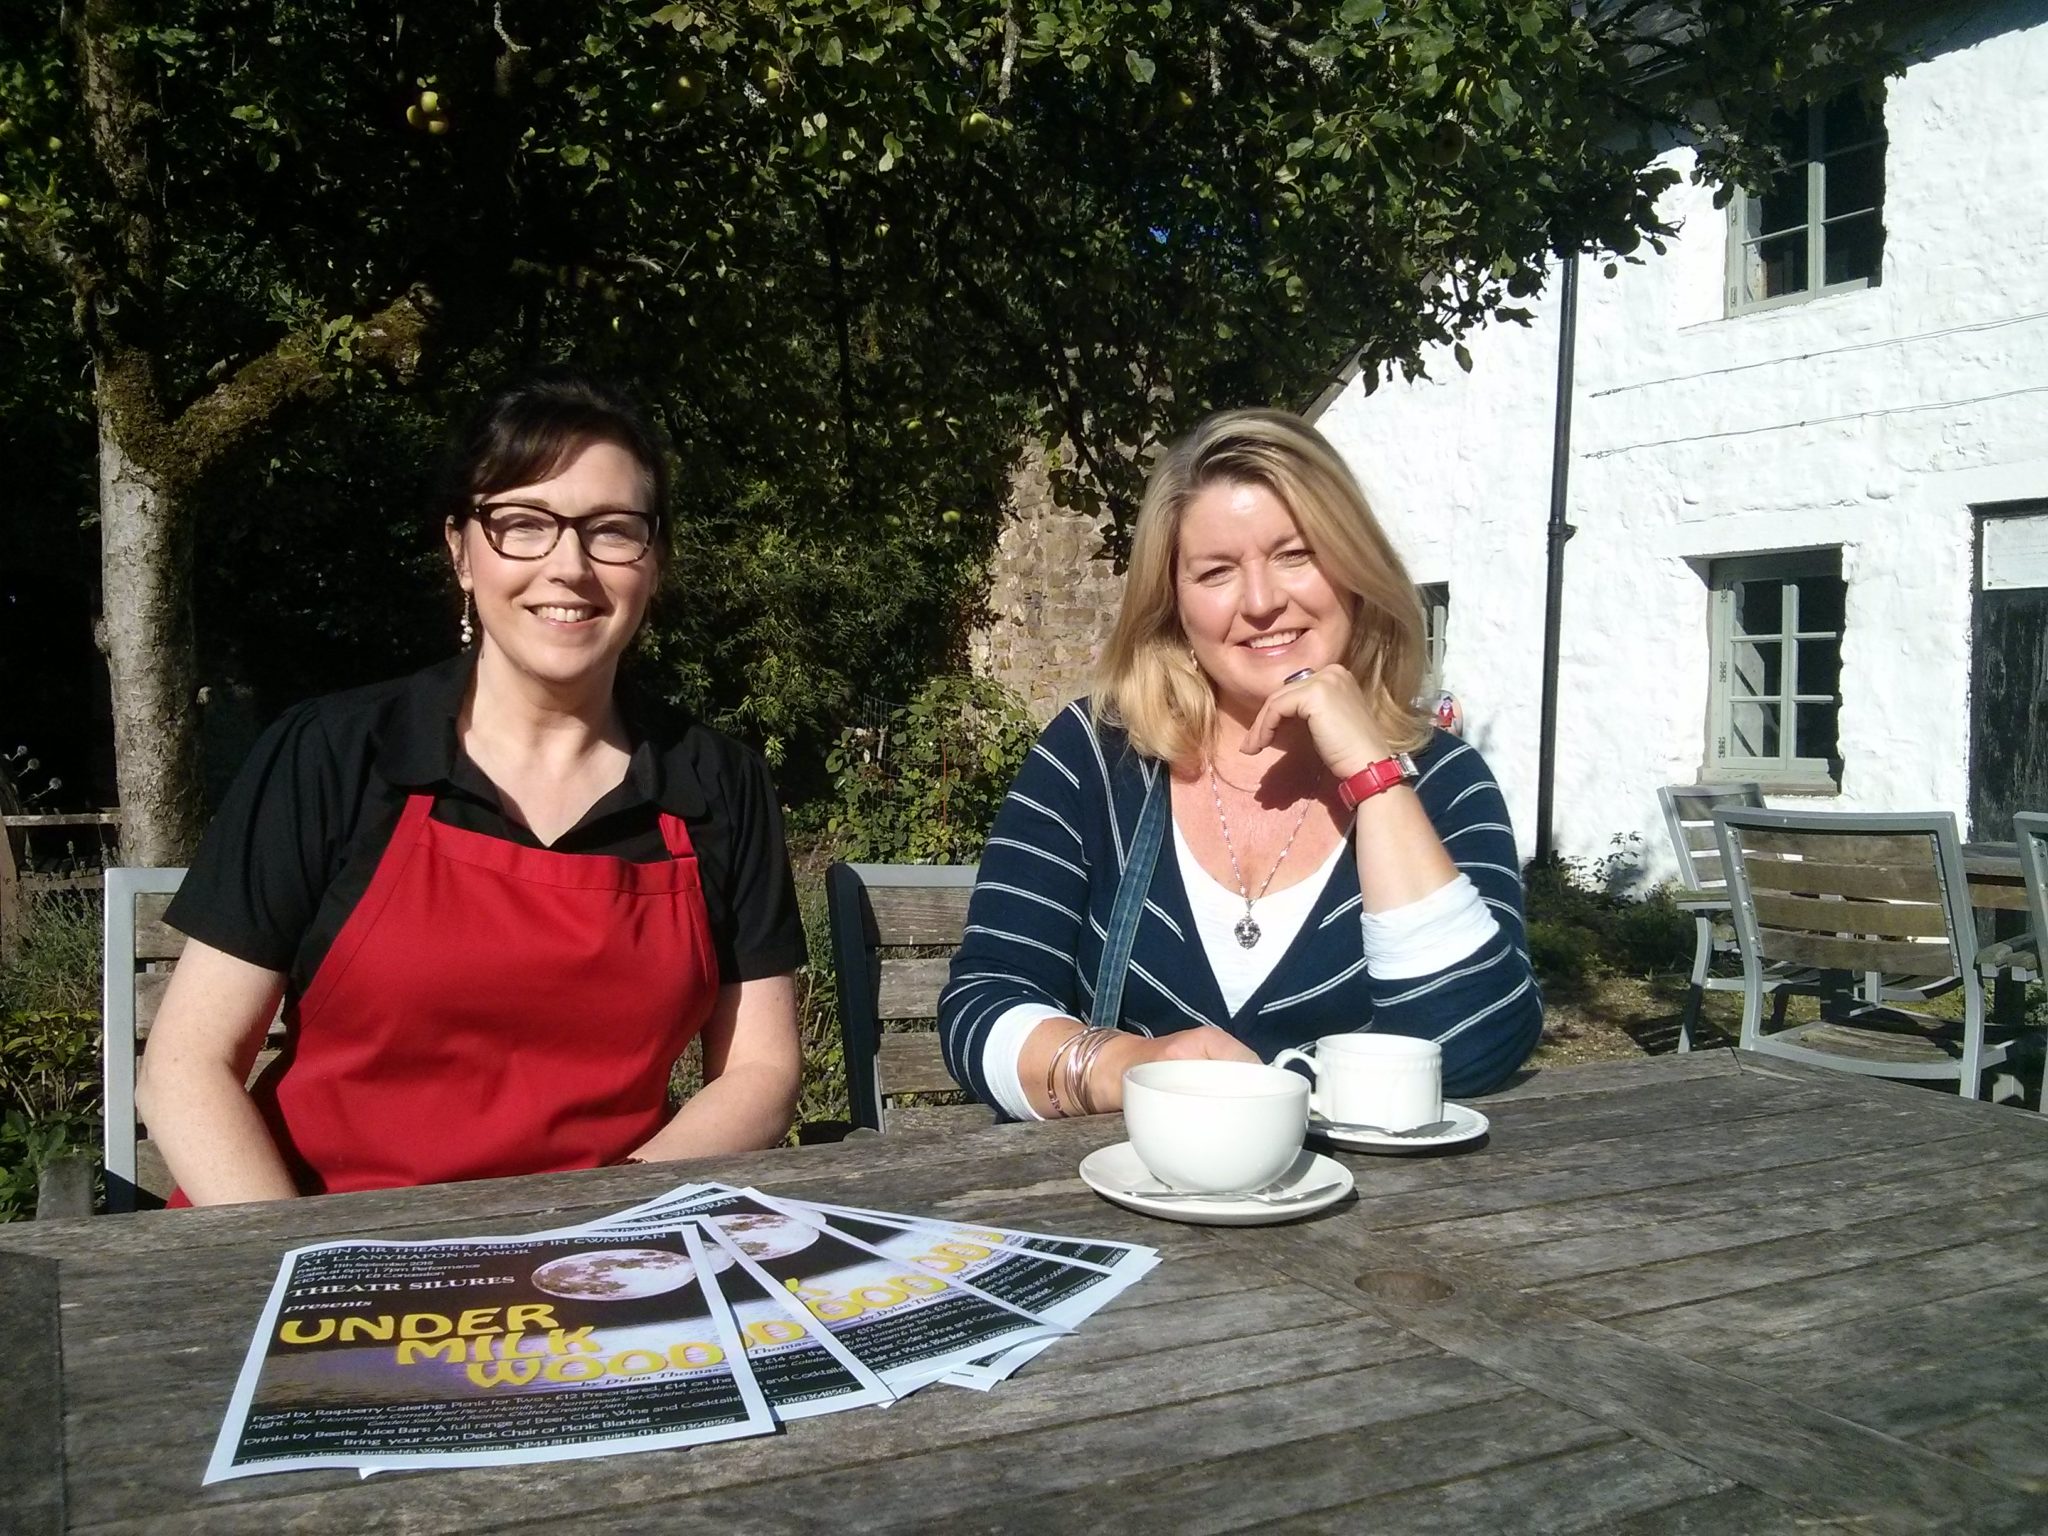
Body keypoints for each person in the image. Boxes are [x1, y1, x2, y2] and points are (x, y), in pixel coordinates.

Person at [137, 372, 805, 1204]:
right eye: (523, 525)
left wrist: (604, 1229)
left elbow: (761, 1068)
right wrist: (298, 1274)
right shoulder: (336, 755)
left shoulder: (720, 784)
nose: (570, 568)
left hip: (599, 1256)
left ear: (653, 560)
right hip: (311, 1247)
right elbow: (186, 1066)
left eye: (611, 531)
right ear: (460, 549)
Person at [938, 409, 1540, 1120]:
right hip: (1130, 1202)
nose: (1261, 603)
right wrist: (1122, 1066)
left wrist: (1373, 776)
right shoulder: (1095, 760)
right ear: (1173, 605)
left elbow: (1476, 1043)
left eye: (1295, 555)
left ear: (1355, 568)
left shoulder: (1441, 784)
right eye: (1217, 572)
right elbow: (983, 1003)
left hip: (1375, 1222)